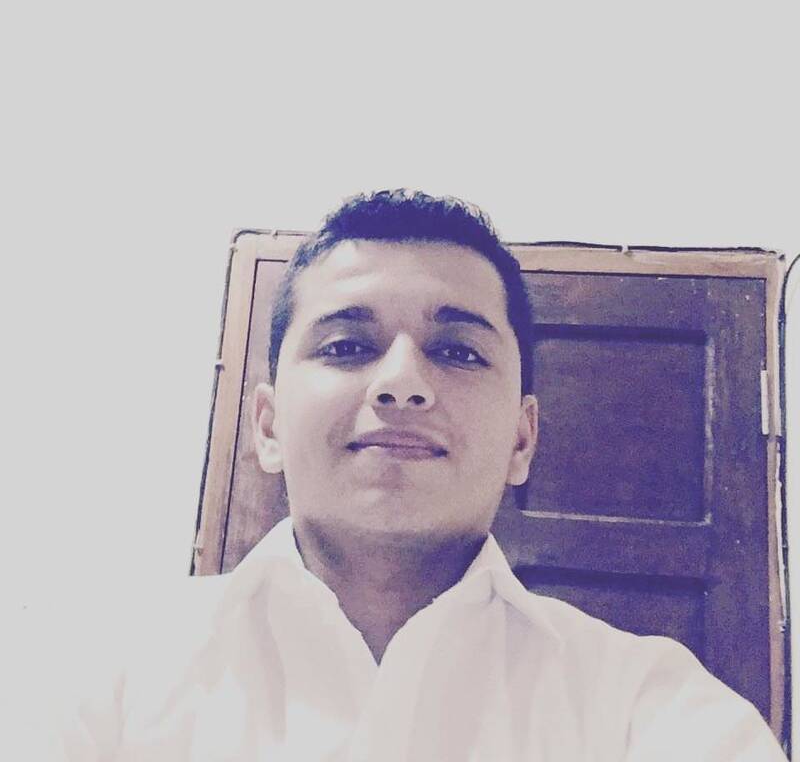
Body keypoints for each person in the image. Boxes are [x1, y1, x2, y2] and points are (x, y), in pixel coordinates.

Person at [57, 190, 787, 760]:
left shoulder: (649, 708)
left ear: (522, 440)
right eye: (346, 346)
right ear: (268, 427)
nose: (401, 383)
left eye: (459, 352)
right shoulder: (98, 675)